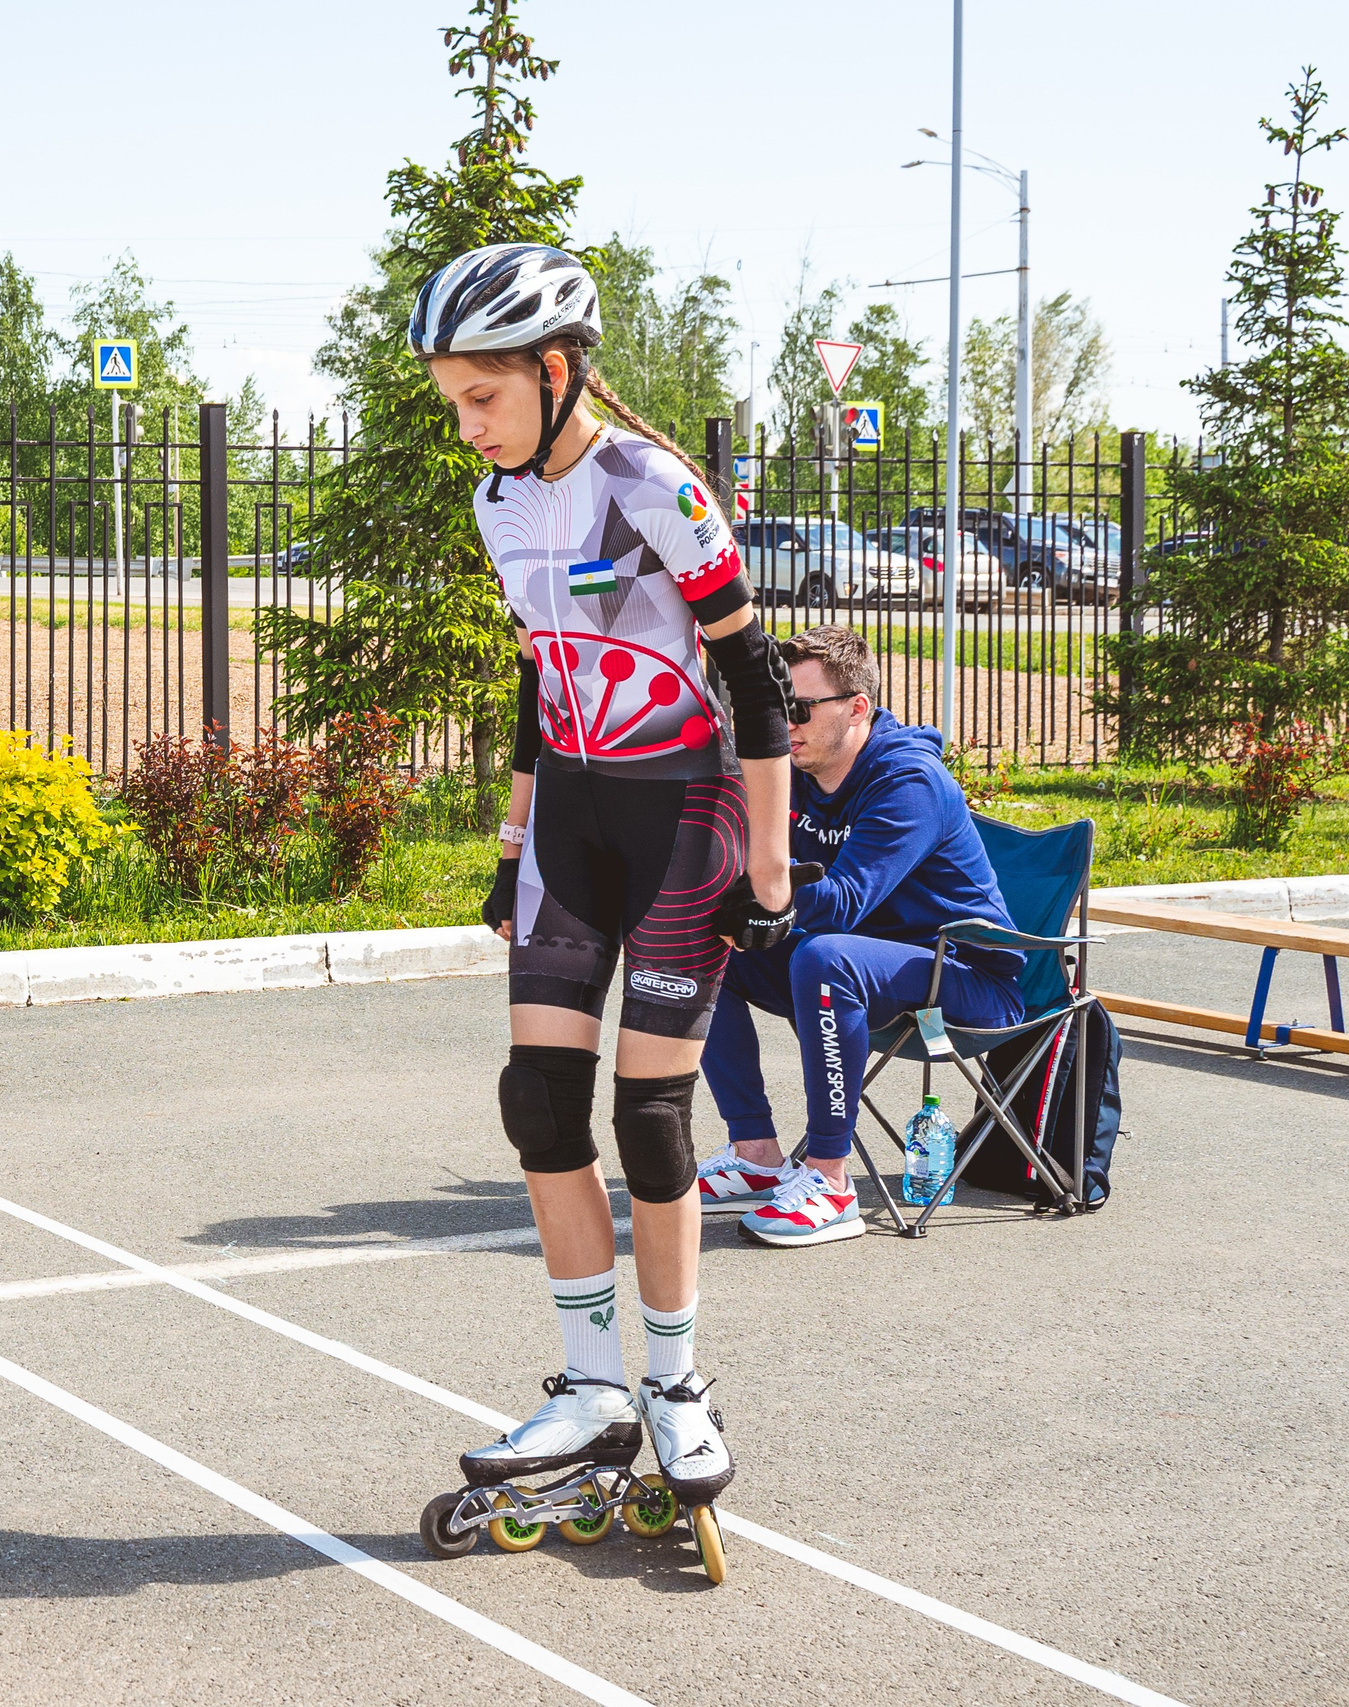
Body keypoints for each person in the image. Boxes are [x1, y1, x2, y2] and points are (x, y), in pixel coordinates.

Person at [414, 243, 802, 1521]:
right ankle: (590, 1387)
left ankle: (677, 1385)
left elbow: (752, 683)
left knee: (648, 1123)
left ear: (555, 369)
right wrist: (516, 838)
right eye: (452, 403)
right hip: (573, 823)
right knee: (537, 1101)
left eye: (483, 398)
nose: (466, 426)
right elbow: (541, 676)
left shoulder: (651, 484)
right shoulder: (497, 506)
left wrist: (769, 857)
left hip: (684, 821)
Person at [695, 624, 1024, 1245]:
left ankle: (830, 1180)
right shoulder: (794, 774)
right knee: (701, 945)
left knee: (825, 956)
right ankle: (758, 1156)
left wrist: (756, 896)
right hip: (872, 968)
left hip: (969, 979)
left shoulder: (908, 781)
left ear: (856, 708)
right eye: (771, 708)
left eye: (798, 708)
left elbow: (843, 903)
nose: (782, 723)